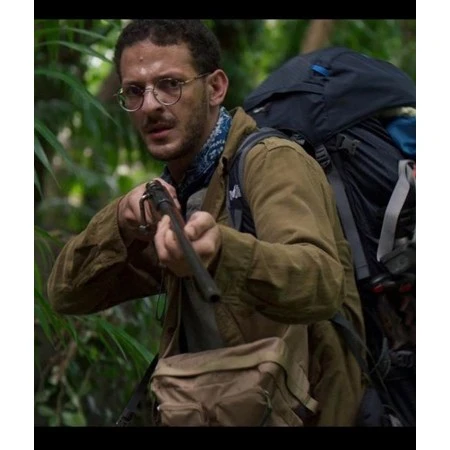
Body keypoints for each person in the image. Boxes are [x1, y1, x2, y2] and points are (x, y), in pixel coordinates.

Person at [47, 19, 366, 426]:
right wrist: (119, 222)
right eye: (135, 91)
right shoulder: (173, 195)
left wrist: (222, 253)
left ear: (215, 88)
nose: (150, 105)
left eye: (170, 84)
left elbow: (320, 283)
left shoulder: (271, 161)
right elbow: (66, 294)